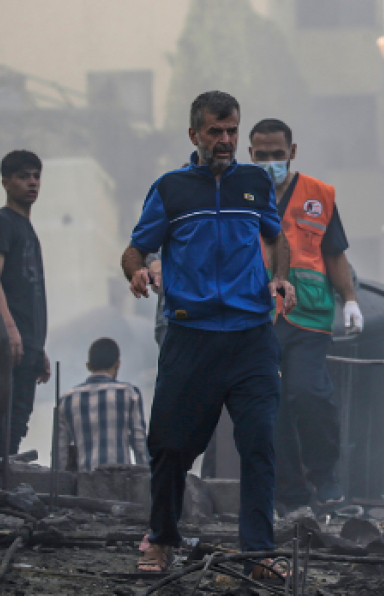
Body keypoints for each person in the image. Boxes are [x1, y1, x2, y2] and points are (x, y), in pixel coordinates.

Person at [122, 91, 297, 574]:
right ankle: (160, 538)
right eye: (215, 132)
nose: (225, 141)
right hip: (191, 336)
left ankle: (259, 552)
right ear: (194, 134)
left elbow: (276, 237)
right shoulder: (171, 188)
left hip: (251, 337)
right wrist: (137, 273)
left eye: (231, 131)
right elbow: (134, 251)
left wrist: (280, 278)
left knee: (259, 442)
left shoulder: (254, 182)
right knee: (172, 445)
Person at [248, 118, 364, 514]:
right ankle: (292, 495)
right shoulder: (237, 195)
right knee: (271, 403)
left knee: (308, 392)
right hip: (258, 315)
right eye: (261, 156)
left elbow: (334, 253)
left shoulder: (320, 195)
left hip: (310, 314)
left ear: (292, 152)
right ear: (249, 155)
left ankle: (325, 476)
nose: (269, 162)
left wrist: (349, 300)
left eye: (277, 155)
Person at [0, 150, 50, 462]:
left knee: (19, 419)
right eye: (24, 176)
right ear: (6, 183)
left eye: (36, 176)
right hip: (11, 341)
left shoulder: (27, 229)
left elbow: (27, 290)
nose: (32, 182)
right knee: (3, 420)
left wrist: (39, 347)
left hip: (28, 342)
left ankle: (2, 482)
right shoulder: (1, 223)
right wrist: (8, 328)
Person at [55, 338, 148, 473]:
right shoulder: (129, 393)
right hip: (120, 482)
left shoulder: (67, 399)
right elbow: (139, 443)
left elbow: (60, 452)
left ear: (88, 366)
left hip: (85, 484)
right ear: (117, 364)